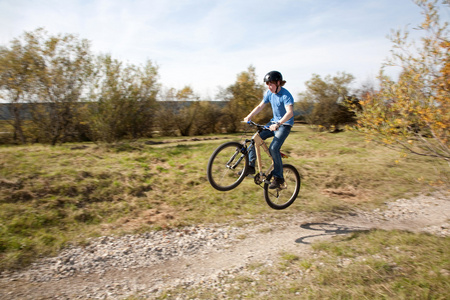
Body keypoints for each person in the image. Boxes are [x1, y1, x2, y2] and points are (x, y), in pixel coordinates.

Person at [243, 70, 294, 189]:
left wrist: (279, 123)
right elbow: (260, 106)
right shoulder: (269, 93)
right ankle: (250, 167)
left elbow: (290, 113)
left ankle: (279, 178)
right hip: (273, 123)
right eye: (267, 84)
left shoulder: (286, 95)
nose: (269, 86)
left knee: (274, 148)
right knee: (254, 139)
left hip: (284, 125)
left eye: (271, 83)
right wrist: (249, 116)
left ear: (278, 83)